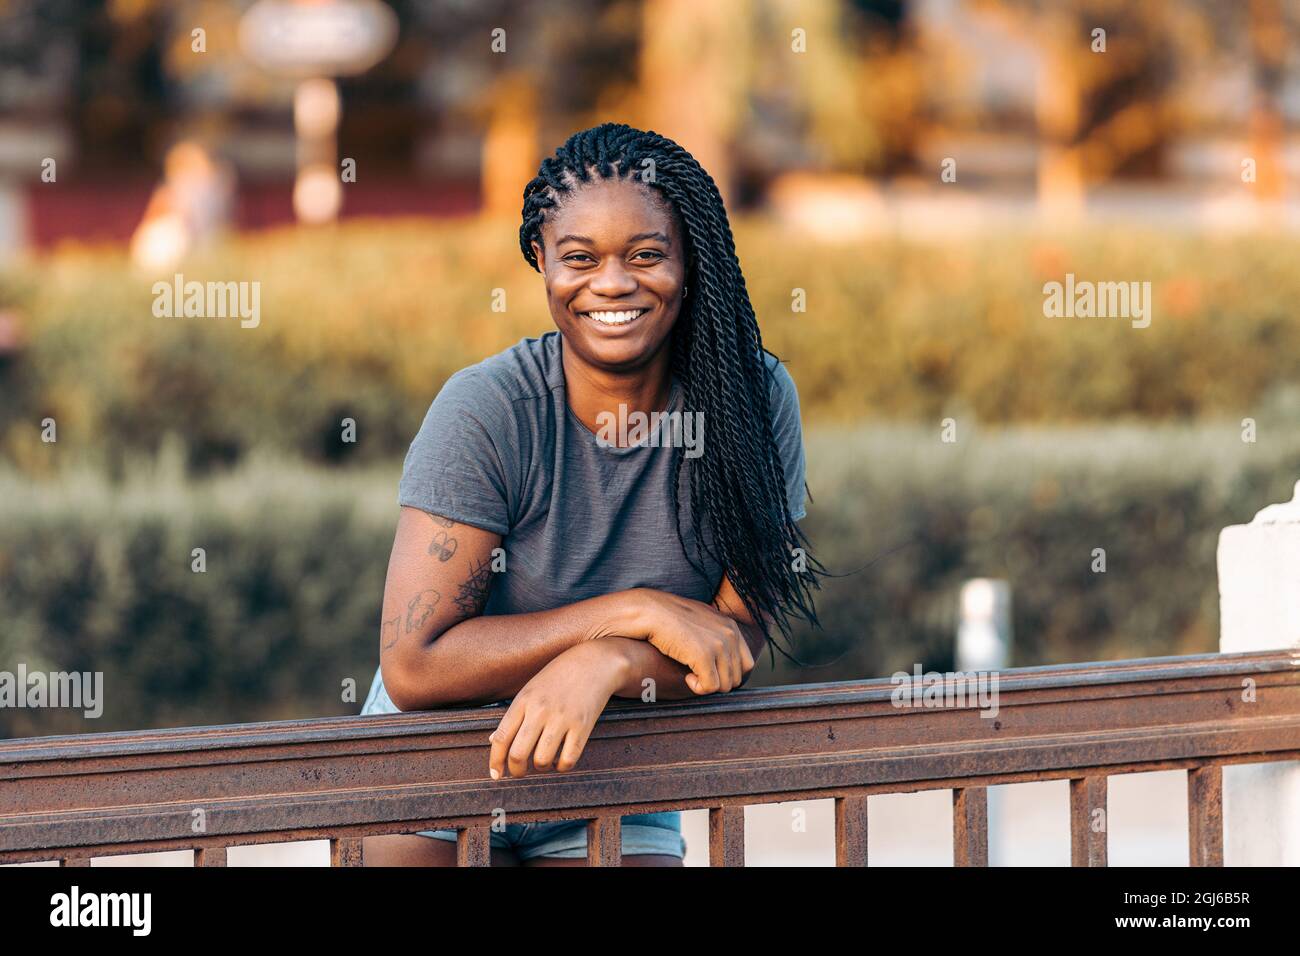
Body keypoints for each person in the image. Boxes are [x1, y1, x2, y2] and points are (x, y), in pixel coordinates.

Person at [361, 122, 820, 867]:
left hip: (610, 756)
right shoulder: (487, 410)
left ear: (691, 260)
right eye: (580, 258)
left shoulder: (752, 402)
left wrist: (606, 662)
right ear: (541, 261)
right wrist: (627, 613)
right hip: (435, 756)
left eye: (646, 255)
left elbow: (731, 642)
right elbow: (414, 667)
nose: (612, 283)